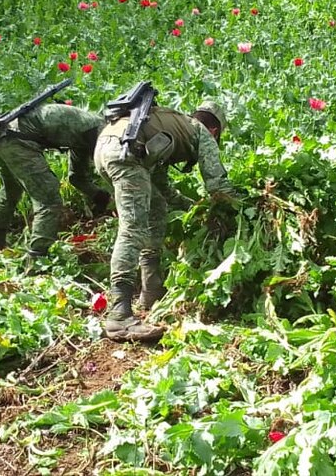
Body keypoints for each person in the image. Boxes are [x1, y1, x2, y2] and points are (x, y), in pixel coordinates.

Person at [94, 97, 237, 342]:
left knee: (156, 208)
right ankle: (119, 315)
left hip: (108, 147)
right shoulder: (201, 133)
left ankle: (150, 291)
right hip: (126, 152)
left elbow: (163, 189)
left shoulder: (165, 125)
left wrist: (193, 208)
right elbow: (218, 185)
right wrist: (239, 207)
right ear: (215, 130)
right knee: (133, 229)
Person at [0, 103, 111, 257]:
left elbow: (77, 178)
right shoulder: (100, 133)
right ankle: (38, 256)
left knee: (11, 190)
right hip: (16, 138)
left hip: (0, 136)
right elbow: (112, 171)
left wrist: (99, 196)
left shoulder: (82, 132)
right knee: (48, 198)